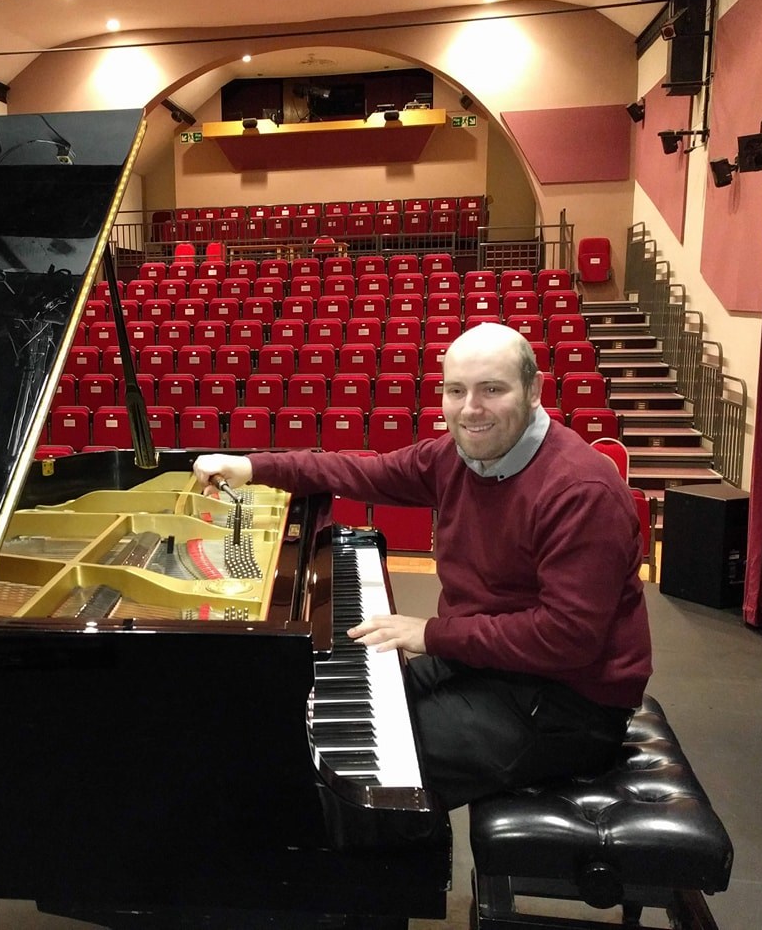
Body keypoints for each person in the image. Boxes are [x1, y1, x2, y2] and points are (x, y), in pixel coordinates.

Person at [193, 322, 652, 809]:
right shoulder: (458, 458)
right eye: (456, 391)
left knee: (352, 776)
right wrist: (254, 467)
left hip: (567, 701)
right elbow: (361, 472)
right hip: (485, 663)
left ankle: (382, 872)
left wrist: (429, 634)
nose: (471, 409)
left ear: (534, 390)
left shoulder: (580, 491)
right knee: (324, 720)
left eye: (492, 389)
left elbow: (567, 638)